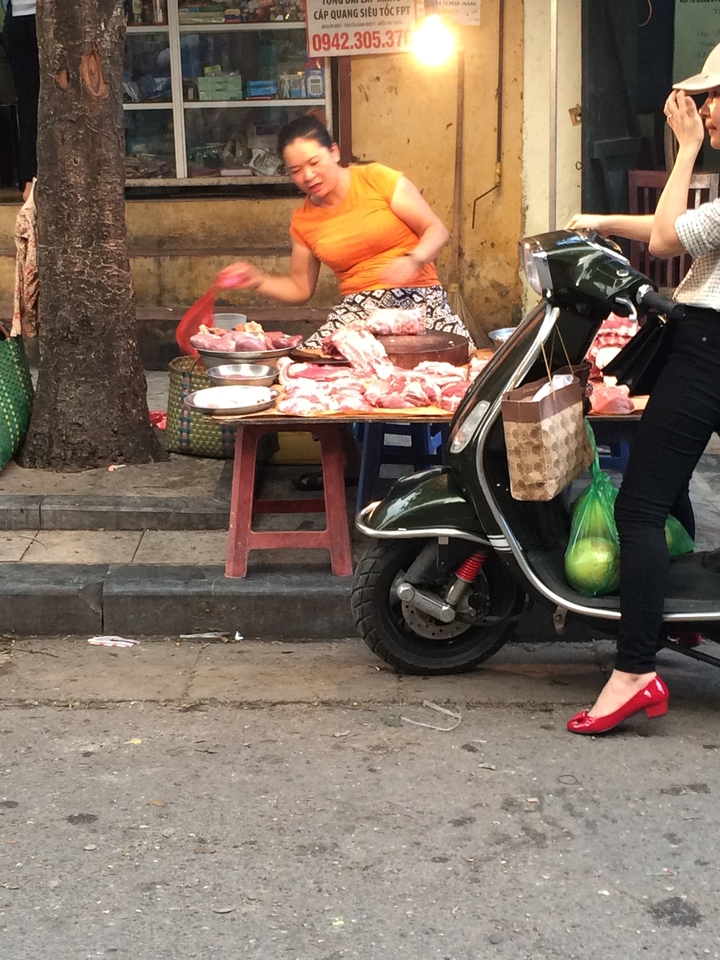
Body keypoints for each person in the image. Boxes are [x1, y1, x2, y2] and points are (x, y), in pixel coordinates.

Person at [562, 43, 720, 734]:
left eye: (718, 96)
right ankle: (671, 620)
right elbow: (686, 232)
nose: (707, 107)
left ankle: (634, 671)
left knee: (641, 509)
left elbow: (663, 243)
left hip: (709, 350)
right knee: (667, 495)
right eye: (706, 96)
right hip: (703, 344)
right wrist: (593, 223)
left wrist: (684, 148)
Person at [216, 114, 473, 489]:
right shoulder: (304, 221)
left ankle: (460, 469)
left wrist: (414, 259)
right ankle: (350, 461)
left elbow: (436, 229)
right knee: (300, 378)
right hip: (358, 311)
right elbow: (300, 288)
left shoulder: (377, 179)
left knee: (466, 378)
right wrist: (258, 280)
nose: (307, 176)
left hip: (419, 301)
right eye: (295, 170)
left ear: (334, 152)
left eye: (314, 162)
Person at [2, 0, 38, 202]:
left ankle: (30, 181)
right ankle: (30, 180)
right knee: (31, 106)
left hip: (22, 17)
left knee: (30, 106)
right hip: (24, 17)